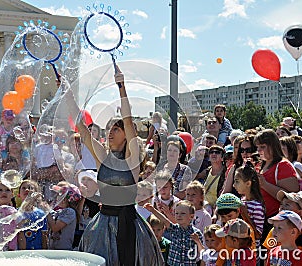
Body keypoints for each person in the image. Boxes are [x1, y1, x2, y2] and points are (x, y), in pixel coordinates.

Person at [73, 65, 163, 265]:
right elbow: (82, 129)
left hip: (129, 226)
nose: (110, 132)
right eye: (108, 129)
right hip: (101, 225)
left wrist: (121, 87)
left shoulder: (132, 160)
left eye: (116, 129)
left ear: (126, 135)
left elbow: (129, 121)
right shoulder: (102, 158)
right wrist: (67, 93)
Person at [254, 129, 299, 239]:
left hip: (277, 222)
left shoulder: (283, 165)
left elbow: (292, 197)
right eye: (257, 147)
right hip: (261, 220)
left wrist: (264, 184)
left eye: (263, 147)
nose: (259, 150)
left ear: (273, 146)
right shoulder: (262, 165)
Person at [145, 200, 204, 265]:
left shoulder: (196, 233)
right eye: (176, 213)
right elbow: (164, 220)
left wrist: (197, 241)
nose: (179, 215)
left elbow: (202, 252)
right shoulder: (174, 229)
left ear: (191, 216)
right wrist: (153, 210)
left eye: (182, 213)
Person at [232, 162, 265, 247]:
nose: (234, 185)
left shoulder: (257, 206)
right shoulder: (241, 201)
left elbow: (258, 235)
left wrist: (245, 215)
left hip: (250, 251)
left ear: (248, 183)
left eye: (237, 182)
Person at [47, 181, 81, 250]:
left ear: (65, 199)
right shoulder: (58, 212)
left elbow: (55, 227)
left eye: (58, 194)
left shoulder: (70, 212)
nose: (56, 197)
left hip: (64, 251)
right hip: (53, 249)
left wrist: (46, 210)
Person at [17, 180, 48, 250]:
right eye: (23, 188)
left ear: (36, 194)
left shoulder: (41, 214)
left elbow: (44, 236)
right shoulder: (16, 213)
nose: (27, 190)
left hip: (38, 252)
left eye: (31, 188)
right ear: (18, 195)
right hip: (20, 253)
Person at [197, 145, 226, 209]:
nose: (214, 154)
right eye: (211, 152)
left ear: (222, 157)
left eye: (217, 152)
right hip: (204, 206)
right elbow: (195, 177)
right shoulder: (207, 171)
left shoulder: (226, 172)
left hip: (217, 208)